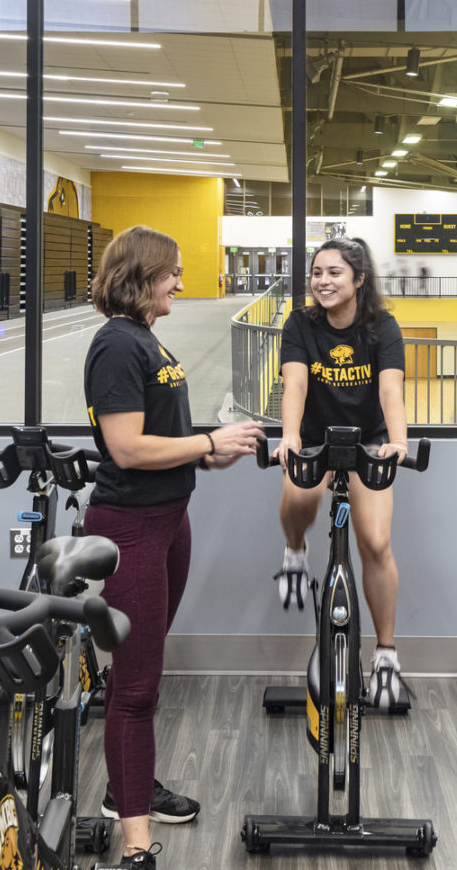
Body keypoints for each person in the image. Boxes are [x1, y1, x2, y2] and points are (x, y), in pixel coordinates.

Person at [82, 226, 263, 870]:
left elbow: (164, 440)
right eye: (173, 274)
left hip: (168, 519)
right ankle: (135, 844)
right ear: (142, 275)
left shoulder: (145, 341)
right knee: (134, 686)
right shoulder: (115, 346)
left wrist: (215, 452)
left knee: (144, 675)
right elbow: (128, 448)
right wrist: (207, 444)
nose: (182, 284)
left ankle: (125, 789)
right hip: (130, 527)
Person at [273, 237, 411, 709]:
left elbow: (391, 391)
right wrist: (290, 436)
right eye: (316, 273)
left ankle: (387, 656)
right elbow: (295, 383)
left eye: (334, 272)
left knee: (375, 542)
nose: (323, 281)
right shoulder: (300, 324)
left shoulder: (382, 327)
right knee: (298, 502)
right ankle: (295, 550)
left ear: (359, 279)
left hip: (368, 439)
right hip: (314, 437)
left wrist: (398, 441)